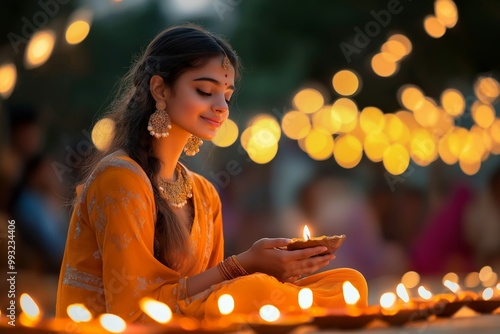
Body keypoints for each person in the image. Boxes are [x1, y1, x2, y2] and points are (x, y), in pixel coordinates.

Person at [56, 24, 367, 323]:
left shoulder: (204, 194)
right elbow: (135, 313)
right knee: (257, 291)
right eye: (205, 91)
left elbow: (209, 296)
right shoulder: (120, 179)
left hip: (189, 324)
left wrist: (270, 268)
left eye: (227, 96)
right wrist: (243, 266)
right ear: (160, 90)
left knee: (348, 283)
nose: (221, 106)